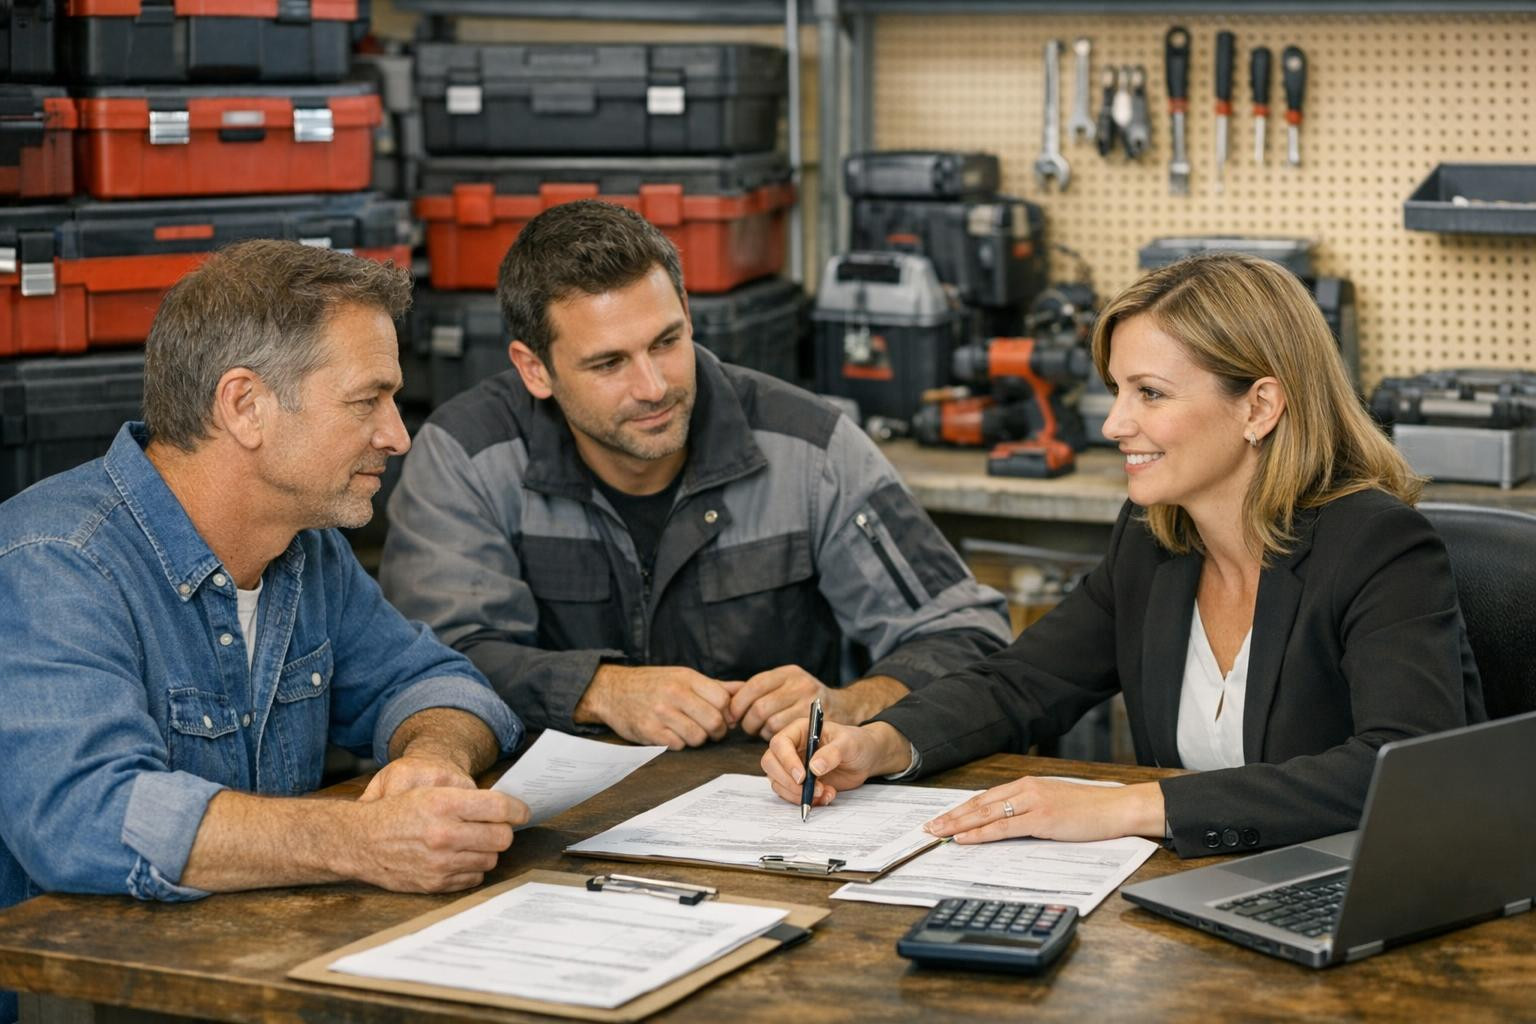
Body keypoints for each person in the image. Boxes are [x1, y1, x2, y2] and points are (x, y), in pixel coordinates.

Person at [762, 251, 1486, 857]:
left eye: (1150, 393)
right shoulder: (1154, 538)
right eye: (1117, 390)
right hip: (1200, 898)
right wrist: (881, 743)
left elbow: (1396, 768)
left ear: (1259, 408)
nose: (1114, 423)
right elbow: (1020, 683)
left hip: (1354, 897)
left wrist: (1130, 807)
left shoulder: (1377, 546)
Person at [0, 240, 529, 1024]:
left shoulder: (304, 552)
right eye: (366, 401)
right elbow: (86, 818)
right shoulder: (53, 564)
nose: (397, 435)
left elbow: (436, 683)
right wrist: (361, 839)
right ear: (244, 405)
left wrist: (433, 760)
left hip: (251, 982)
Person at [380, 200, 1010, 750]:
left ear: (685, 310)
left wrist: (851, 704)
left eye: (665, 342)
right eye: (608, 363)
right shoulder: (467, 456)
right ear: (534, 368)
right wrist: (597, 691)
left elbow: (964, 635)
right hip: (546, 830)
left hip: (772, 816)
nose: (652, 387)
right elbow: (429, 667)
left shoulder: (812, 450)